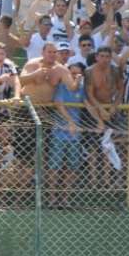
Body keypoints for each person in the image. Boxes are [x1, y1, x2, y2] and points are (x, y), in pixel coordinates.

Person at [49, 60, 89, 208]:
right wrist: (70, 122)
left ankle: (65, 199)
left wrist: (99, 119)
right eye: (72, 73)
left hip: (74, 134)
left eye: (78, 74)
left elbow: (88, 104)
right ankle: (52, 198)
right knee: (55, 165)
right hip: (59, 132)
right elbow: (59, 105)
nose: (75, 76)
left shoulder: (82, 89)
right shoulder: (61, 86)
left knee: (73, 166)